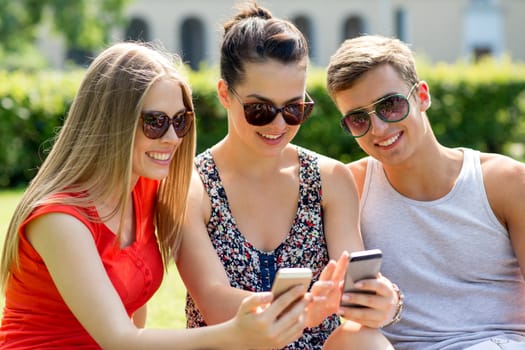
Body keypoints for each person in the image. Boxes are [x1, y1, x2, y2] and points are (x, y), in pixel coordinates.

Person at [0, 41, 314, 349]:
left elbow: (134, 313)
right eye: (155, 122)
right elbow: (119, 339)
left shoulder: (145, 188)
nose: (172, 138)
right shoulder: (59, 219)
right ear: (112, 124)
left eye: (181, 122)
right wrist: (234, 334)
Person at [176, 3, 400, 349]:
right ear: (225, 94)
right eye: (260, 110)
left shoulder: (329, 179)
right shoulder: (192, 185)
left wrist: (380, 303)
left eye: (295, 108)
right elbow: (215, 302)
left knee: (366, 338)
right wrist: (306, 311)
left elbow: (354, 295)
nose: (279, 125)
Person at [324, 34, 525, 350]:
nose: (377, 129)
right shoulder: (351, 186)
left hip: (494, 342)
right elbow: (351, 313)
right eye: (358, 119)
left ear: (422, 96)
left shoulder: (504, 181)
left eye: (390, 105)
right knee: (349, 339)